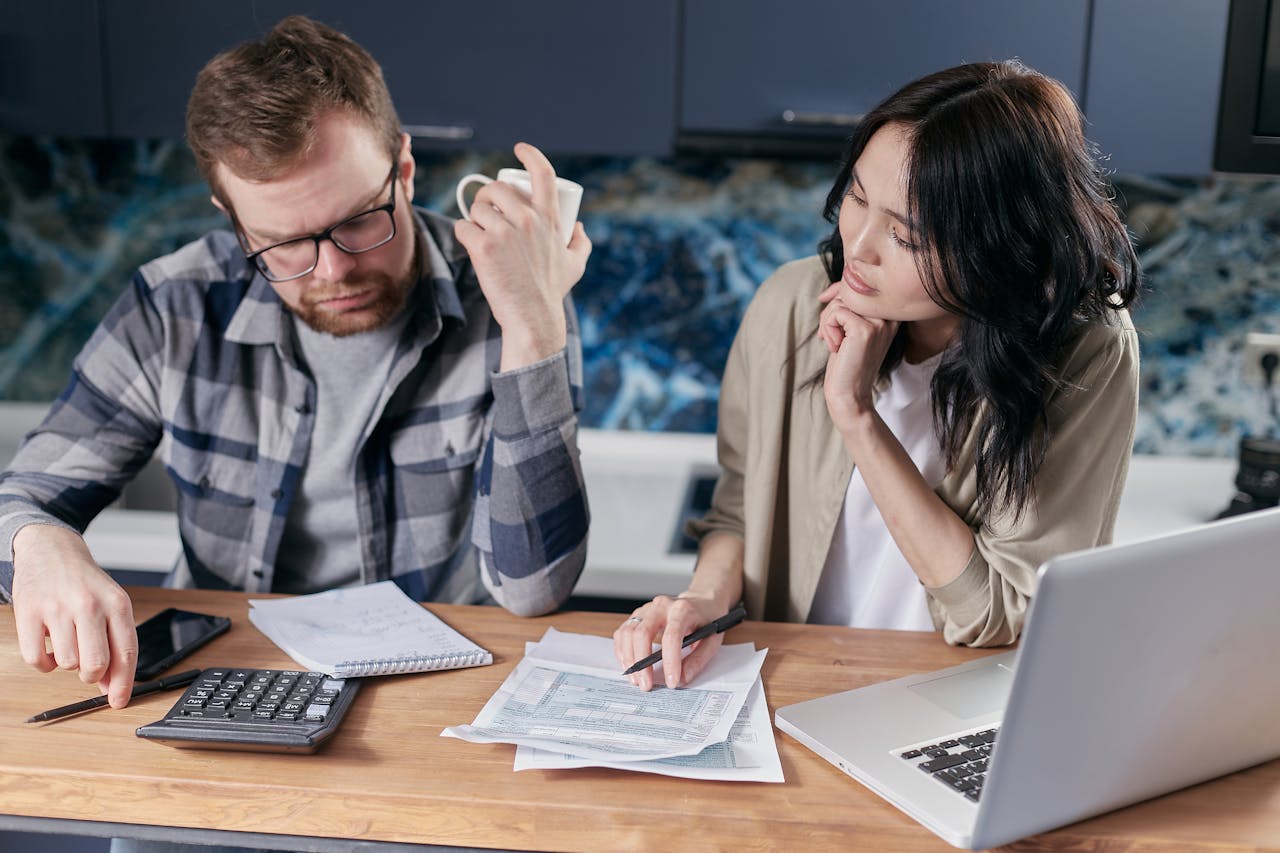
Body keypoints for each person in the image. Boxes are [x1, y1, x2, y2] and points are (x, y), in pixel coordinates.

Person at [0, 15, 592, 711]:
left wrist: (532, 329)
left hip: (424, 697)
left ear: (403, 169)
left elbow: (535, 588)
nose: (334, 269)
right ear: (232, 217)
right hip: (216, 685)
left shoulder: (514, 292)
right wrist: (40, 542)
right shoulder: (174, 304)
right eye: (282, 244)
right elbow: (22, 497)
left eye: (360, 219)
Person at [615, 60, 1140, 690]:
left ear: (997, 247)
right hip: (794, 686)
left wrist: (856, 415)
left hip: (953, 704)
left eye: (905, 236)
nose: (858, 247)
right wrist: (702, 602)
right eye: (857, 198)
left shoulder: (1084, 352)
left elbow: (997, 612)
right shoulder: (791, 303)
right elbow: (739, 511)